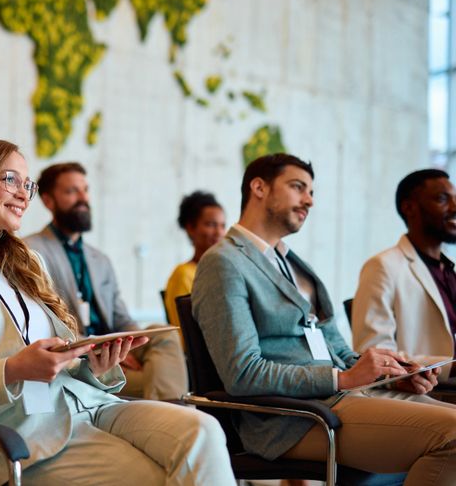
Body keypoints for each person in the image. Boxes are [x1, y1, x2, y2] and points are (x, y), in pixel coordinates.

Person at [0, 139, 236, 486]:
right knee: (157, 476)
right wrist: (13, 370)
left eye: (28, 184)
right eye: (10, 180)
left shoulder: (27, 262)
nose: (24, 195)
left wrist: (96, 365)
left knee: (203, 429)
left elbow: (64, 363)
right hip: (22, 429)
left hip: (90, 403)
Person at [192, 153, 456, 483]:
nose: (309, 200)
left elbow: (338, 351)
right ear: (258, 188)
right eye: (298, 187)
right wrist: (341, 380)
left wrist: (385, 375)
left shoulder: (292, 263)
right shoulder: (224, 262)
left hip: (341, 398)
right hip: (295, 418)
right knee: (452, 435)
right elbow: (242, 373)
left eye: (312, 192)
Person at [25, 162, 187, 400]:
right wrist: (102, 348)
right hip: (77, 356)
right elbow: (42, 325)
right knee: (163, 379)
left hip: (114, 346)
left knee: (162, 334)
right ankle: (179, 418)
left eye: (85, 190)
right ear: (48, 201)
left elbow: (122, 318)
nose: (83, 198)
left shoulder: (99, 260)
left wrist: (130, 344)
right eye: (71, 191)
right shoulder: (31, 251)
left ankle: (172, 415)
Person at [352, 169, 456, 379]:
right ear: (409, 207)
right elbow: (373, 353)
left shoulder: (449, 270)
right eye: (442, 199)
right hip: (427, 391)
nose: (454, 207)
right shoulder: (382, 266)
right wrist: (448, 367)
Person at [164, 190, 225, 329]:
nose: (219, 232)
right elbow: (190, 331)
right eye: (211, 224)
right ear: (190, 227)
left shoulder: (222, 272)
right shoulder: (184, 274)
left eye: (222, 225)